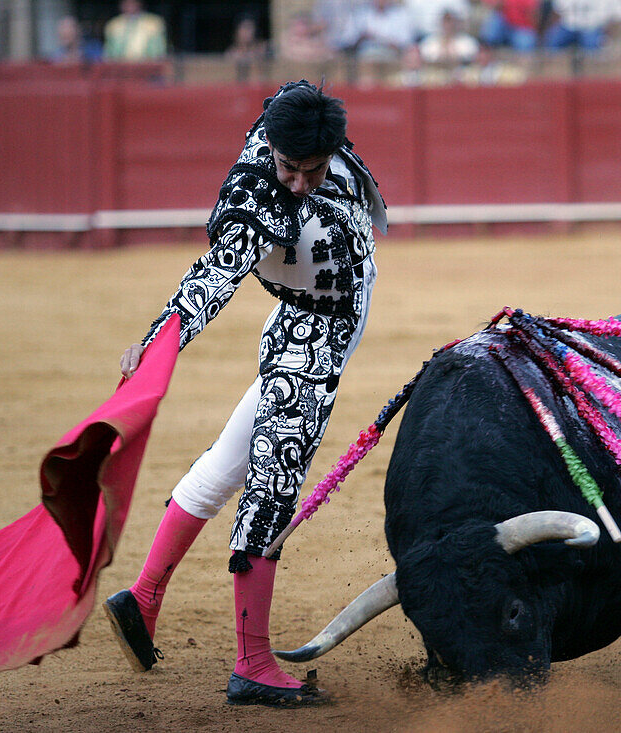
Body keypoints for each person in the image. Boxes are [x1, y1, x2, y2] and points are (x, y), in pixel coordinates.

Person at [103, 80, 387, 708]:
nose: (299, 183)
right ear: (272, 152)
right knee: (273, 490)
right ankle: (253, 664)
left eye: (313, 170)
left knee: (224, 468)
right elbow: (216, 274)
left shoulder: (296, 119)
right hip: (307, 345)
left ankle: (142, 601)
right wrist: (160, 342)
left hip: (308, 329)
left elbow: (292, 96)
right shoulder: (257, 198)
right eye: (289, 168)